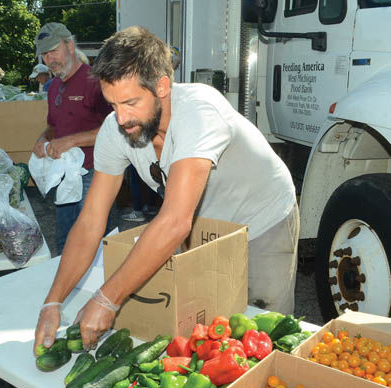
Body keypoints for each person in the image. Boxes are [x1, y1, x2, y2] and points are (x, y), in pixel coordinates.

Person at [34, 26, 299, 353]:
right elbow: (90, 222)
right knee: (211, 331)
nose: (121, 119)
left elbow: (174, 221)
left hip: (261, 218)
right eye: (112, 104)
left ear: (162, 86)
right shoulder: (115, 129)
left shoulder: (199, 111)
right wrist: (53, 301)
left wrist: (107, 298)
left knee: (266, 331)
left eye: (130, 102)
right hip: (204, 224)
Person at [31, 22, 115, 254]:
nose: (50, 59)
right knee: (65, 241)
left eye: (53, 51)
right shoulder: (54, 85)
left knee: (93, 243)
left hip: (95, 174)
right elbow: (53, 126)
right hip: (64, 174)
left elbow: (115, 130)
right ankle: (66, 288)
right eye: (45, 55)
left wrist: (69, 141)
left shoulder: (95, 81)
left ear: (69, 45)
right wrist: (42, 139)